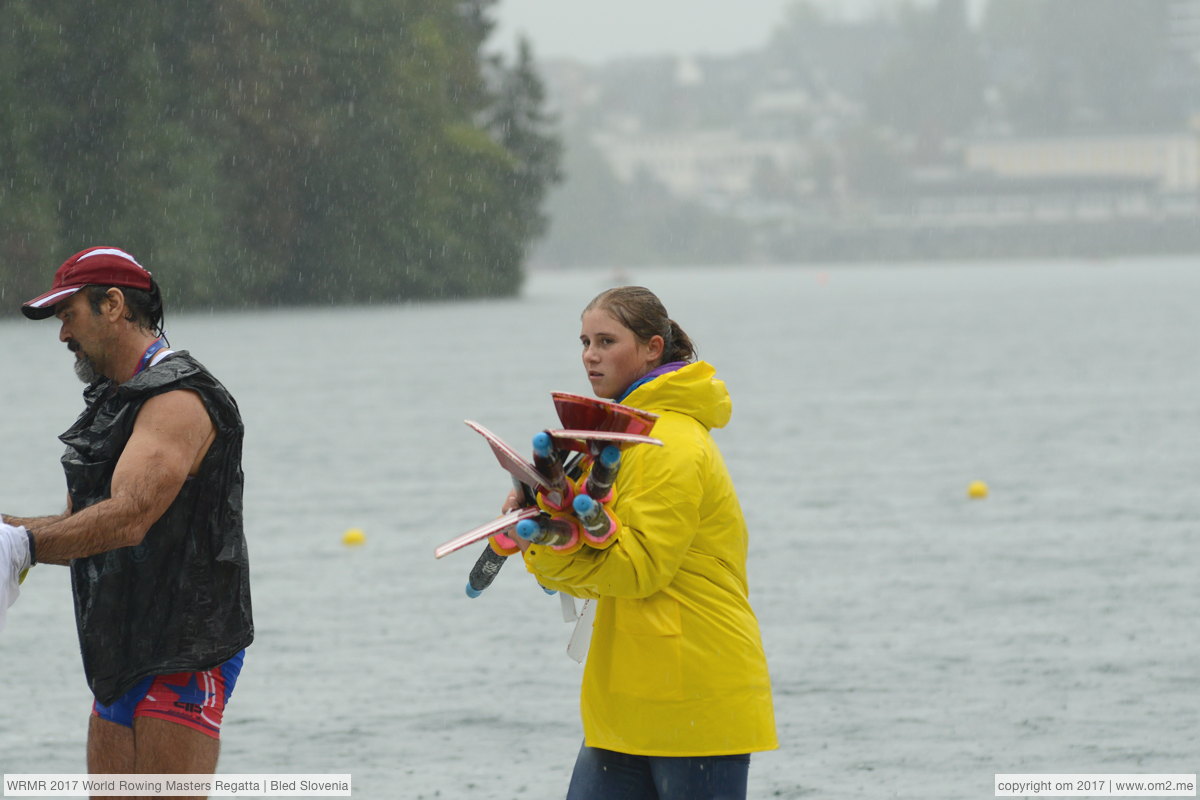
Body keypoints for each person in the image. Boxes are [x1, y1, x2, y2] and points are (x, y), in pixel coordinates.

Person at [513, 286, 777, 800]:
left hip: (695, 698)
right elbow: (571, 567)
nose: (590, 354)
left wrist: (551, 542)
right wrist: (540, 527)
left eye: (607, 340)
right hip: (624, 704)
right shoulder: (617, 439)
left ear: (654, 347)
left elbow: (637, 570)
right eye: (585, 341)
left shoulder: (669, 441)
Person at [1, 246, 252, 783]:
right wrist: (7, 529)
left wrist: (22, 547)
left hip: (186, 648)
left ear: (113, 305)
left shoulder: (178, 397)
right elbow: (79, 530)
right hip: (119, 649)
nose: (63, 334)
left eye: (68, 315)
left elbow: (128, 518)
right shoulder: (114, 400)